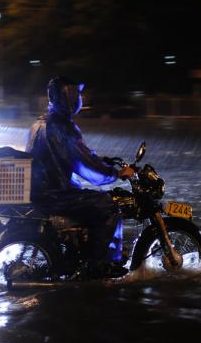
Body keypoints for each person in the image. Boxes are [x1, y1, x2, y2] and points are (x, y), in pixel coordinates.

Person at [26, 76, 135, 277]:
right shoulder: (63, 126)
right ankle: (98, 265)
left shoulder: (41, 123)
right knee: (109, 206)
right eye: (76, 94)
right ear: (66, 96)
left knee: (94, 201)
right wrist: (116, 173)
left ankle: (84, 252)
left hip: (42, 192)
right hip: (57, 195)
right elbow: (83, 163)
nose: (79, 98)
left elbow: (78, 156)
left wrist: (104, 161)